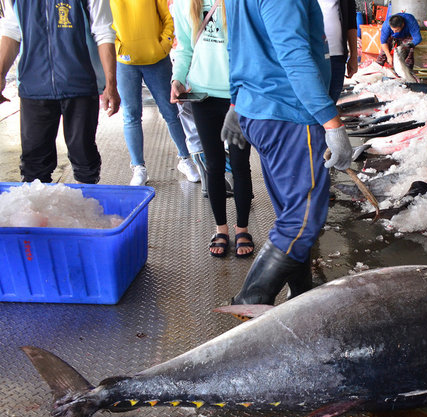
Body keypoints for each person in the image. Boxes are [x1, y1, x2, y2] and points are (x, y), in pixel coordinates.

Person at [225, 0, 352, 305]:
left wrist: (236, 100)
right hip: (290, 114)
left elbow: (236, 45)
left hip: (260, 109)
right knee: (301, 221)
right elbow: (294, 56)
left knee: (292, 214)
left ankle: (300, 299)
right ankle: (249, 304)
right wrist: (331, 123)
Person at [0, 0, 120, 184]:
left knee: (83, 154)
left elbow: (103, 32)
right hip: (34, 86)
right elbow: (12, 31)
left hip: (80, 84)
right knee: (34, 162)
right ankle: (39, 211)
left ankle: (86, 207)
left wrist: (111, 84)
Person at [171, 0, 254, 258]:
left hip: (238, 95)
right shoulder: (184, 4)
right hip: (202, 95)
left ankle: (242, 228)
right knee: (214, 165)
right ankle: (221, 229)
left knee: (240, 163)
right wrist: (177, 78)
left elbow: (251, 47)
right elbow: (184, 48)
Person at [110, 0, 201, 186]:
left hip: (157, 60)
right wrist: (118, 48)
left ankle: (185, 159)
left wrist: (163, 45)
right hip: (125, 61)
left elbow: (168, 17)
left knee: (171, 111)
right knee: (131, 115)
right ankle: (138, 166)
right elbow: (103, 25)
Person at [317, 0, 358, 103]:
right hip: (313, 55)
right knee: (314, 100)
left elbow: (351, 23)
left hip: (337, 55)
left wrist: (353, 56)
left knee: (331, 100)